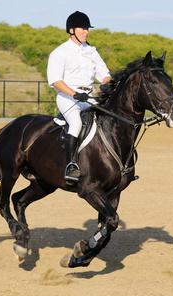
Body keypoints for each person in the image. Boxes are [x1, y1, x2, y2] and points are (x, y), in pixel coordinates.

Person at [47, 11, 111, 183]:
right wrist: (75, 94)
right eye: (83, 28)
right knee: (75, 123)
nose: (87, 32)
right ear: (71, 30)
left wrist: (108, 83)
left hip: (88, 98)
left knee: (109, 118)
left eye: (87, 29)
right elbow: (55, 81)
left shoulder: (91, 51)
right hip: (68, 98)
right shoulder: (60, 52)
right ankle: (71, 165)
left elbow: (104, 74)